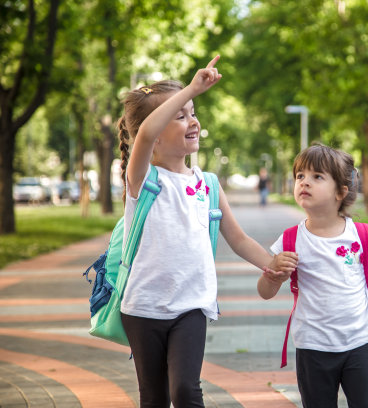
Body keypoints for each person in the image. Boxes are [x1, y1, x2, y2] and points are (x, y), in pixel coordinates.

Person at [116, 55, 297, 408]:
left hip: (192, 305)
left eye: (193, 112)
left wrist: (272, 264)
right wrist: (191, 88)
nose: (192, 121)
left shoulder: (208, 185)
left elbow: (240, 239)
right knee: (153, 398)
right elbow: (148, 131)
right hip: (144, 307)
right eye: (179, 115)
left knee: (185, 390)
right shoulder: (144, 180)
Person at [257, 144, 368, 408]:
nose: (305, 182)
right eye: (300, 176)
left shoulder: (361, 235)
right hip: (313, 344)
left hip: (358, 340)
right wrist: (273, 276)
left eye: (317, 177)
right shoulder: (290, 239)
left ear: (340, 192)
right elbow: (265, 292)